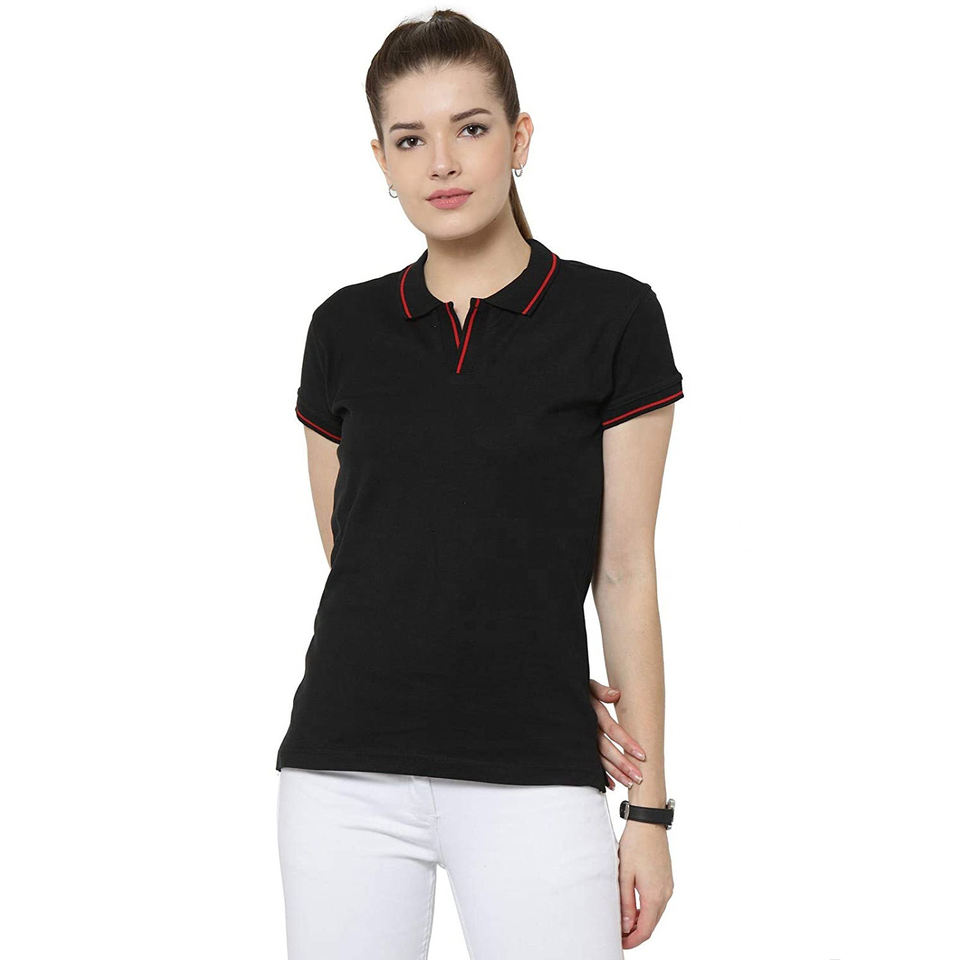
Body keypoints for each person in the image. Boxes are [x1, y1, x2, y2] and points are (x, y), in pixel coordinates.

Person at [275, 10, 683, 958]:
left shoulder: (613, 318)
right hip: (343, 773)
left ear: (519, 137)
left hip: (536, 773)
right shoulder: (343, 328)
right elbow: (356, 548)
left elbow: (625, 570)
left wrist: (650, 812)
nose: (443, 164)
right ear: (381, 160)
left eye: (470, 128)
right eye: (410, 139)